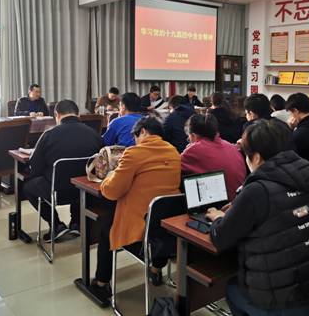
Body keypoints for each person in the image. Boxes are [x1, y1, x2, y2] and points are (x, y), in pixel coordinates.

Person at [205, 120, 309, 316]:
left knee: (232, 289)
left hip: (285, 302)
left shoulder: (257, 190)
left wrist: (219, 217)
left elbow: (220, 237)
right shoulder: (308, 175)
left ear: (256, 157)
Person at [90, 117, 181, 305]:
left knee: (106, 229)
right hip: (166, 229)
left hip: (141, 232)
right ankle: (156, 269)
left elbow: (112, 191)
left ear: (143, 131)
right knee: (155, 216)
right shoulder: (173, 151)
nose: (135, 141)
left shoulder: (134, 153)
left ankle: (101, 283)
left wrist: (108, 177)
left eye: (136, 137)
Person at [24, 99, 103, 241]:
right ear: (78, 115)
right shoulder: (94, 134)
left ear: (57, 115)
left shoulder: (49, 134)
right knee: (78, 175)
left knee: (29, 187)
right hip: (86, 191)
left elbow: (35, 167)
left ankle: (56, 225)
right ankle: (76, 223)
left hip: (57, 191)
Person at [181, 114, 246, 201]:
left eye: (189, 138)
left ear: (194, 135)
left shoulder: (193, 150)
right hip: (239, 199)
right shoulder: (231, 147)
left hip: (220, 204)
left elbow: (174, 166)